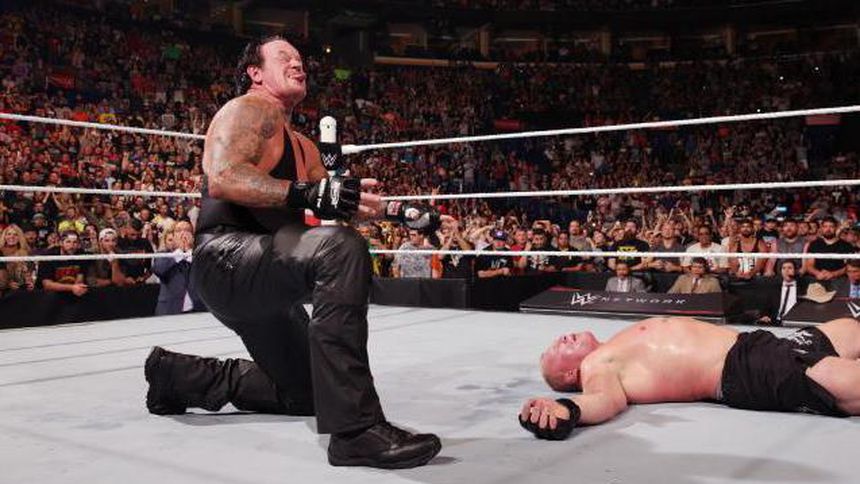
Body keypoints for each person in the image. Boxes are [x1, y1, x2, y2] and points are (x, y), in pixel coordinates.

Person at [143, 36, 441, 469]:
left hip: (267, 271)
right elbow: (223, 177)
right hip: (226, 257)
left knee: (308, 392)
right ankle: (355, 431)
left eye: (300, 59)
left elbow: (335, 200)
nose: (298, 64)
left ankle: (177, 376)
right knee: (340, 248)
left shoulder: (302, 146)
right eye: (284, 57)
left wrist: (403, 213)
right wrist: (309, 194)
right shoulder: (248, 109)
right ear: (255, 72)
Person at [520, 316, 860, 441]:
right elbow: (603, 399)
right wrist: (566, 410)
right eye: (555, 349)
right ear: (571, 373)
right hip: (742, 369)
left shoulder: (614, 344)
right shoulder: (597, 365)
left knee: (848, 329)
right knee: (849, 383)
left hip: (756, 344)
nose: (560, 338)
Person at [151, 221, 204, 315]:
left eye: (187, 230)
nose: (183, 234)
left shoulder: (200, 255)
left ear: (193, 237)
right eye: (179, 231)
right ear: (174, 236)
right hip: (170, 310)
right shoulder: (164, 254)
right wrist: (179, 253)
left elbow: (205, 274)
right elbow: (159, 270)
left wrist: (189, 252)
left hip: (197, 311)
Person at [36, 231, 90, 296]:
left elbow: (80, 277)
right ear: (61, 243)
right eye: (68, 242)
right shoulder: (49, 256)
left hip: (72, 292)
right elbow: (47, 285)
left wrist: (78, 287)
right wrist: (72, 288)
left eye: (75, 242)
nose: (72, 245)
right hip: (51, 294)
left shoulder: (80, 255)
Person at [804, 216, 855, 282]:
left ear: (836, 228)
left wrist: (833, 274)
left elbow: (849, 266)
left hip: (839, 280)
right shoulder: (814, 244)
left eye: (831, 226)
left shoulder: (846, 245)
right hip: (818, 278)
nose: (828, 229)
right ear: (821, 228)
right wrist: (818, 273)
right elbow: (809, 265)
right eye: (825, 226)